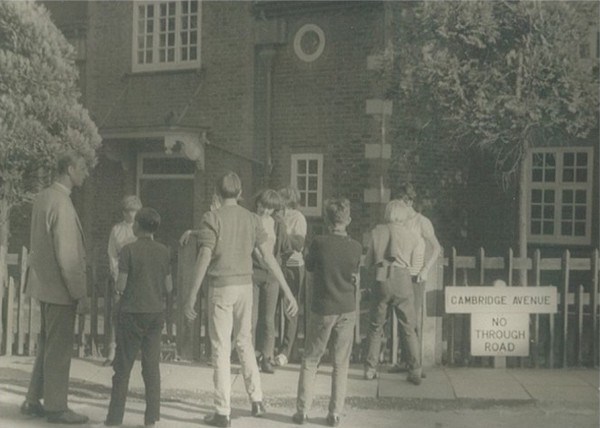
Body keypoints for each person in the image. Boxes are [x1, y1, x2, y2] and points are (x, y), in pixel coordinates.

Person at [183, 171, 298, 428]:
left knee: (221, 349)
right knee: (245, 341)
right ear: (240, 192)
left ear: (217, 192)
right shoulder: (251, 218)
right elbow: (268, 257)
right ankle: (257, 399)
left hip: (221, 287)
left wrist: (191, 296)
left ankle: (223, 411)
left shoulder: (212, 217)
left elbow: (204, 257)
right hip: (245, 286)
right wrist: (288, 291)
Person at [21, 152, 90, 424]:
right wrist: (79, 294)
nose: (85, 173)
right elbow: (68, 256)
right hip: (61, 289)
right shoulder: (62, 203)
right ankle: (56, 408)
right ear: (69, 169)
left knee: (47, 347)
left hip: (43, 286)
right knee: (59, 350)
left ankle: (32, 399)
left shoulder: (43, 197)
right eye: (82, 168)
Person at [292, 198, 362, 427]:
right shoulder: (355, 247)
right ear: (348, 220)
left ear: (327, 220)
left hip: (323, 307)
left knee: (311, 359)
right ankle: (335, 413)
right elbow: (353, 274)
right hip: (347, 308)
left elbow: (310, 266)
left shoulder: (319, 243)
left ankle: (302, 411)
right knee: (340, 364)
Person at [104, 207, 173, 427]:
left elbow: (121, 285)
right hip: (155, 313)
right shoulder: (164, 251)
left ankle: (114, 419)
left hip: (131, 313)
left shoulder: (128, 250)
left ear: (137, 226)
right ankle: (151, 417)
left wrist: (119, 288)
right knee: (151, 367)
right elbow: (169, 286)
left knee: (122, 368)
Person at [363, 199, 423, 385]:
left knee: (376, 325)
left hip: (382, 277)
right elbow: (414, 264)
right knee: (408, 326)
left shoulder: (377, 232)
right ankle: (415, 370)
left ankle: (370, 369)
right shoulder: (412, 236)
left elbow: (368, 262)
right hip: (403, 278)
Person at [388, 183, 441, 375]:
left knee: (413, 321)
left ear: (410, 201)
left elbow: (436, 247)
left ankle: (416, 365)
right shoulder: (398, 221)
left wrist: (426, 269)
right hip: (400, 274)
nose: (400, 204)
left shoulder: (422, 222)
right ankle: (406, 361)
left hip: (416, 276)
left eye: (403, 200)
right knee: (402, 320)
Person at [251, 189, 292, 374]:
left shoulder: (277, 224)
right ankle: (251, 357)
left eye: (270, 208)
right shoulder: (250, 219)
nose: (265, 210)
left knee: (268, 320)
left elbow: (285, 248)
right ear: (257, 202)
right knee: (251, 319)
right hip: (252, 273)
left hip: (272, 276)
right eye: (263, 206)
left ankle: (266, 357)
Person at [105, 195, 142, 365]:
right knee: (117, 313)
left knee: (136, 314)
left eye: (134, 211)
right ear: (124, 212)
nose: (131, 215)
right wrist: (115, 273)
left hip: (138, 276)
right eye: (128, 211)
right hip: (121, 275)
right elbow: (112, 253)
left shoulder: (142, 229)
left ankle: (134, 350)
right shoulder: (117, 230)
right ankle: (113, 351)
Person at [274, 186, 307, 367]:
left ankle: (287, 350)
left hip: (293, 267)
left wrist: (283, 234)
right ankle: (282, 349)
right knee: (273, 309)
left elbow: (299, 244)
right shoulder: (277, 217)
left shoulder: (298, 218)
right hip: (277, 265)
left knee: (290, 309)